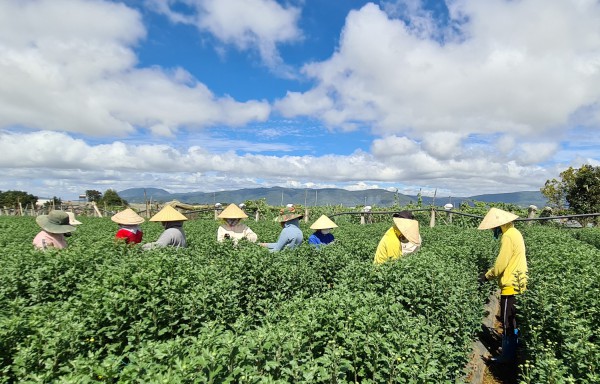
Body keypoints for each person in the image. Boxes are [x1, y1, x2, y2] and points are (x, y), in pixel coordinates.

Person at [477, 207, 528, 364]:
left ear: (500, 225)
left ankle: (506, 357)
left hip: (510, 284)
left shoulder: (507, 237)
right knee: (512, 319)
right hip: (519, 281)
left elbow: (501, 264)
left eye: (494, 226)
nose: (493, 229)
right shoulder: (515, 232)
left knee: (507, 321)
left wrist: (486, 276)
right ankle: (511, 351)